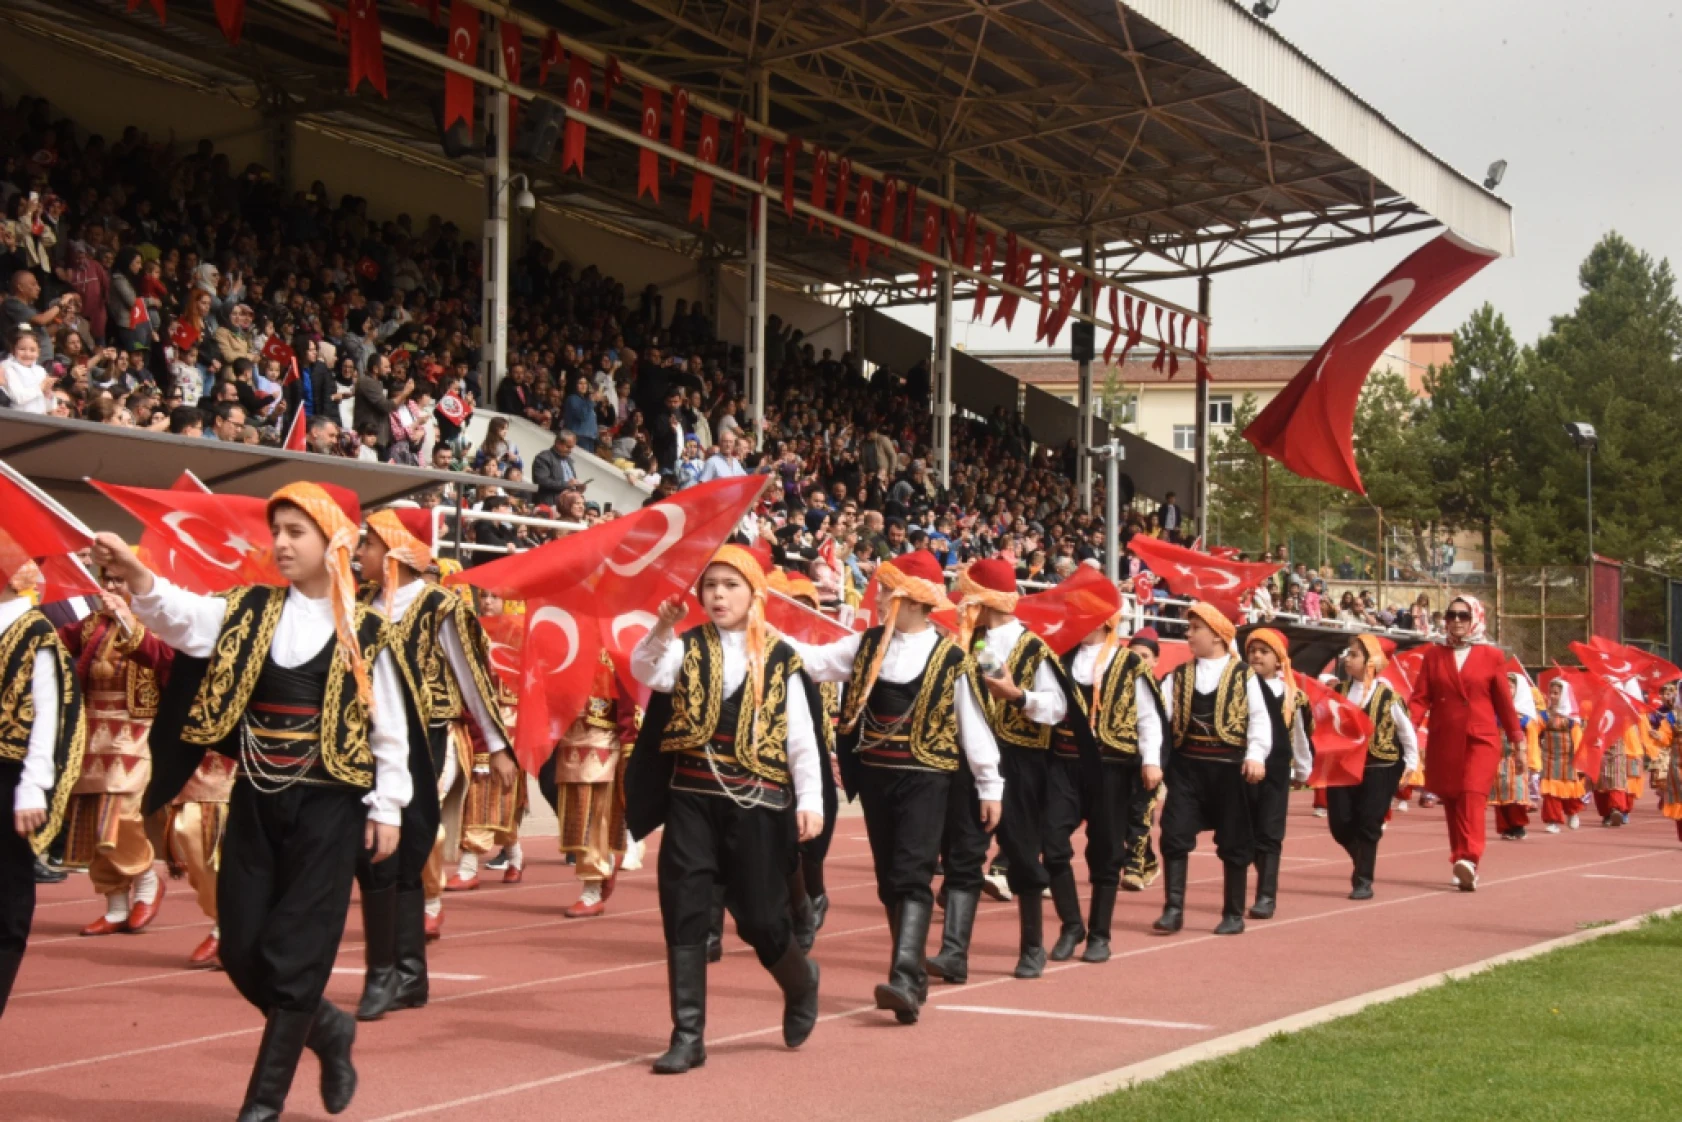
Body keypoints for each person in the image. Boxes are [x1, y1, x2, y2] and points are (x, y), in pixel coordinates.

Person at [96, 482, 412, 1120]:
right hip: (257, 796)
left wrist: (389, 804)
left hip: (331, 805)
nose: (282, 544)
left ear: (334, 542)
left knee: (296, 952)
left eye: (297, 531)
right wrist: (138, 575)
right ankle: (327, 1028)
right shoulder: (250, 609)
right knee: (241, 947)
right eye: (279, 531)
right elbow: (183, 618)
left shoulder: (369, 629)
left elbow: (390, 725)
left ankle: (261, 1105)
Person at [625, 545, 825, 1075]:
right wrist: (663, 627)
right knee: (685, 907)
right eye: (710, 584)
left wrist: (812, 799)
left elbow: (802, 738)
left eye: (730, 584)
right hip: (692, 799)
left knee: (760, 918)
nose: (717, 594)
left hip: (758, 803)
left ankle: (800, 981)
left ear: (754, 593)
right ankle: (687, 1035)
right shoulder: (685, 646)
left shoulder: (781, 656)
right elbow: (646, 670)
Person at [784, 551, 1001, 1020]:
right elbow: (814, 661)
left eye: (886, 591)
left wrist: (989, 784)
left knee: (911, 873)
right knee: (888, 882)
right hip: (877, 777)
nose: (878, 598)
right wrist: (760, 633)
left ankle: (904, 975)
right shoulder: (865, 645)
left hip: (928, 778)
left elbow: (974, 726)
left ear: (909, 599)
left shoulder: (952, 658)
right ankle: (912, 980)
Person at [352, 508, 513, 1020]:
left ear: (396, 552)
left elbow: (473, 678)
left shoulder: (440, 606)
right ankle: (398, 974)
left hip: (425, 741)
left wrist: (496, 745)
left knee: (405, 846)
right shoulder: (357, 604)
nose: (360, 555)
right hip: (367, 743)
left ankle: (398, 973)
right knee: (374, 850)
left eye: (369, 545)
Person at [954, 557, 1075, 980]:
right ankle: (955, 952)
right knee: (964, 849)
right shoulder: (979, 645)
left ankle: (1032, 946)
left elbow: (1059, 707)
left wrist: (1019, 695)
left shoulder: (1033, 648)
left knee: (1023, 850)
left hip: (1023, 761)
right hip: (973, 757)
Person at [1049, 585, 1163, 961]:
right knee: (1051, 843)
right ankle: (1071, 923)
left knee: (1106, 849)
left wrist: (1151, 760)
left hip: (1112, 767)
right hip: (1064, 762)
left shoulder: (1130, 664)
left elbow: (1149, 716)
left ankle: (1099, 933)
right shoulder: (1058, 660)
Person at [57, 572, 173, 937]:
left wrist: (127, 617)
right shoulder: (90, 623)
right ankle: (116, 905)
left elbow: (165, 659)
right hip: (91, 728)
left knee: (121, 811)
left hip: (135, 728)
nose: (110, 587)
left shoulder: (158, 621)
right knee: (92, 816)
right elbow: (53, 646)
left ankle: (145, 876)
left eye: (118, 580)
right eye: (106, 581)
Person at [1152, 602, 1271, 936]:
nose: (1188, 635)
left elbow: (1260, 720)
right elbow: (1159, 717)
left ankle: (1233, 912)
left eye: (1195, 629)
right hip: (1188, 770)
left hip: (1230, 770)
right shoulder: (1178, 676)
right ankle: (1173, 909)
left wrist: (1256, 755)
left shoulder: (1243, 676)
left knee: (1234, 842)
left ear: (1217, 635)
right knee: (1174, 835)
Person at [0, 561, 86, 1021]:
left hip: (8, 773)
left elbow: (49, 713)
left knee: (6, 898)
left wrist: (33, 786)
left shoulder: (37, 634)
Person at [1405, 595, 1523, 892]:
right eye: (1451, 615)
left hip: (1480, 738)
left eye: (1463, 615)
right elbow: (1420, 699)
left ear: (1476, 618)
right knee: (1453, 798)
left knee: (1472, 793)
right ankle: (1461, 860)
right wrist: (1406, 731)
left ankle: (1469, 857)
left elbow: (1504, 704)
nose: (1456, 621)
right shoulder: (1435, 655)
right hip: (1445, 737)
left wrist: (1518, 742)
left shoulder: (1492, 656)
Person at [536, 648, 638, 918]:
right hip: (568, 738)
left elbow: (630, 691)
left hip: (603, 739)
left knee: (594, 816)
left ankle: (591, 888)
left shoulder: (615, 642)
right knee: (577, 816)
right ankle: (604, 859)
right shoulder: (564, 637)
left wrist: (630, 742)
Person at [1326, 635, 1419, 900]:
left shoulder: (1389, 697)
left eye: (1354, 655)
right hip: (1344, 768)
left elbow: (1406, 733)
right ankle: (1362, 858)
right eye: (1348, 653)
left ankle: (1363, 879)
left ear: (1371, 662)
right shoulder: (1338, 693)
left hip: (1380, 767)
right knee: (1340, 823)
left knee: (1369, 821)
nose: (1347, 658)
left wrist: (1411, 764)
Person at [1240, 628, 1313, 919]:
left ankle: (1266, 895)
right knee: (1243, 831)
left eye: (1264, 651)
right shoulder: (1240, 688)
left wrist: (1303, 769)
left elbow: (1300, 735)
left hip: (1276, 771)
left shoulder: (1293, 696)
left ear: (1279, 659)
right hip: (1243, 770)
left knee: (1270, 832)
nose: (1256, 655)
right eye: (1252, 650)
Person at [1120, 628, 1166, 890]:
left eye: (1144, 655)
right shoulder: (1118, 688)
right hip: (1120, 760)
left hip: (1151, 762)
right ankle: (1148, 862)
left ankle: (1134, 866)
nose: (1138, 660)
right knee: (1122, 815)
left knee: (1141, 813)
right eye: (1133, 655)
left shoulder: (1163, 688)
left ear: (1156, 661)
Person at [1492, 674, 1540, 841]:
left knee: (1516, 793)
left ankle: (1518, 825)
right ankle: (1505, 826)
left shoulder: (1526, 718)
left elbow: (1533, 741)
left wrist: (1532, 762)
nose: (1507, 690)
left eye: (1510, 687)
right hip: (1498, 760)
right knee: (1499, 796)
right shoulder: (1495, 713)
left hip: (1517, 760)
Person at [1536, 679, 1584, 834]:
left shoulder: (1572, 719)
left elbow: (1577, 738)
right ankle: (1552, 820)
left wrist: (1580, 760)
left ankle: (1572, 812)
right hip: (1549, 758)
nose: (1553, 696)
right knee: (1550, 792)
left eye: (1556, 693)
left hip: (1568, 759)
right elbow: (1535, 729)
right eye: (1551, 693)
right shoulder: (1545, 715)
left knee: (1570, 790)